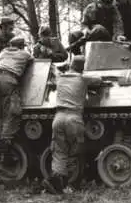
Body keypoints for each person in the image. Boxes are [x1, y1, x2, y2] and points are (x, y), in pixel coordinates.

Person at [42, 55, 104, 195]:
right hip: (74, 119)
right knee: (75, 153)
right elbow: (99, 80)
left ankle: (56, 183)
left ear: (70, 65)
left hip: (58, 118)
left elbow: (54, 73)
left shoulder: (61, 78)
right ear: (81, 68)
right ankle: (71, 185)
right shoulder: (82, 79)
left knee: (59, 151)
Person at [0, 36, 34, 163]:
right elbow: (32, 61)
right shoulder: (24, 54)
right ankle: (5, 145)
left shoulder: (3, 52)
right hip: (9, 81)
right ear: (21, 46)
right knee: (12, 112)